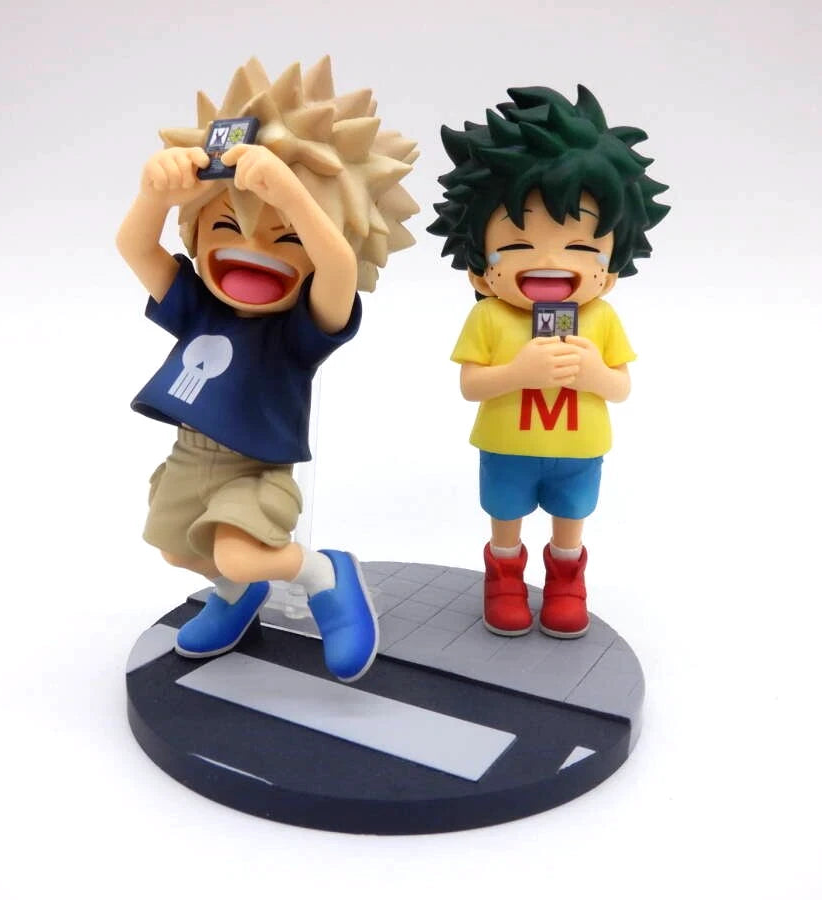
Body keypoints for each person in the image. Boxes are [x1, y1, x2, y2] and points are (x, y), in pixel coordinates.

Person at [117, 57, 419, 681]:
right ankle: (237, 594)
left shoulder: (299, 329)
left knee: (239, 550)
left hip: (256, 469)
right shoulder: (198, 304)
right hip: (187, 458)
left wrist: (292, 196)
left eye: (286, 238)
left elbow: (337, 269)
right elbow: (135, 247)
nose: (252, 250)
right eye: (228, 226)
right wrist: (155, 195)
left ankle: (324, 574)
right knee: (177, 550)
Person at [429, 85, 669, 639]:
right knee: (505, 518)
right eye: (516, 247)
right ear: (478, 268)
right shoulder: (490, 316)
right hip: (507, 447)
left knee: (571, 521)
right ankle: (504, 579)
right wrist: (519, 374)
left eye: (582, 249)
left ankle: (566, 582)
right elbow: (470, 385)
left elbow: (622, 387)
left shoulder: (600, 317)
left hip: (578, 450)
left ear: (610, 271)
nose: (550, 262)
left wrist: (596, 374)